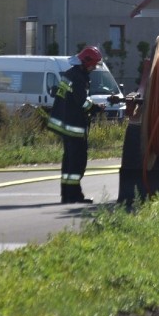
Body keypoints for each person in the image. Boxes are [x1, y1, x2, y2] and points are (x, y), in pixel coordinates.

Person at [48, 46, 104, 204]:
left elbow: (72, 99)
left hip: (65, 123)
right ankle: (74, 196)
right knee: (77, 162)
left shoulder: (70, 74)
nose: (94, 68)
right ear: (86, 62)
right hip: (74, 126)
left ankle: (66, 195)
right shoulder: (79, 78)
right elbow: (82, 102)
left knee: (69, 161)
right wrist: (96, 108)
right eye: (93, 64)